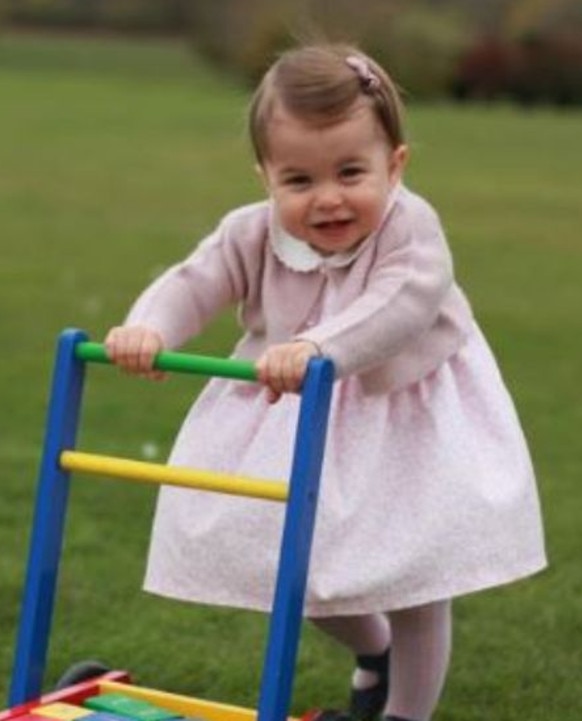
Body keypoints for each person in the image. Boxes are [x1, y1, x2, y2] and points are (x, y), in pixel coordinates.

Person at [104, 44, 546, 721]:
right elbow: (194, 281)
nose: (328, 198)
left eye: (350, 172)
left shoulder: (411, 228)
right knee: (293, 566)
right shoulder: (251, 233)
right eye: (299, 180)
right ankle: (375, 650)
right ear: (266, 177)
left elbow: (401, 304)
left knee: (414, 574)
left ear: (393, 165)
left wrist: (316, 344)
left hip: (406, 412)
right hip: (296, 408)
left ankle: (405, 713)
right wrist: (150, 327)